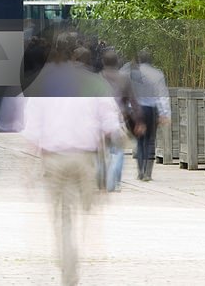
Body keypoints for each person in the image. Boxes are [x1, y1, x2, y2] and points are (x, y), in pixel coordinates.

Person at [22, 34, 122, 285]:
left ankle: (66, 255)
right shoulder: (94, 82)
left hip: (54, 160)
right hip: (84, 160)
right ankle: (76, 249)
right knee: (83, 213)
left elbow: (33, 130)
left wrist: (27, 168)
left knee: (60, 215)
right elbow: (111, 123)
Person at [123, 49, 170, 181]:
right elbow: (162, 96)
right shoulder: (157, 74)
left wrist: (127, 109)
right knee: (150, 140)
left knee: (139, 140)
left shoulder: (132, 73)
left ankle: (140, 171)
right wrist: (164, 113)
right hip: (151, 110)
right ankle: (148, 173)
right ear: (151, 60)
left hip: (136, 110)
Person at [99, 48, 142, 192]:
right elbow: (134, 101)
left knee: (102, 151)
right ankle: (115, 182)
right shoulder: (124, 78)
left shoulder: (98, 78)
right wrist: (139, 121)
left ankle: (102, 180)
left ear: (103, 62)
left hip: (100, 121)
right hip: (119, 120)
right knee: (117, 152)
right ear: (117, 62)